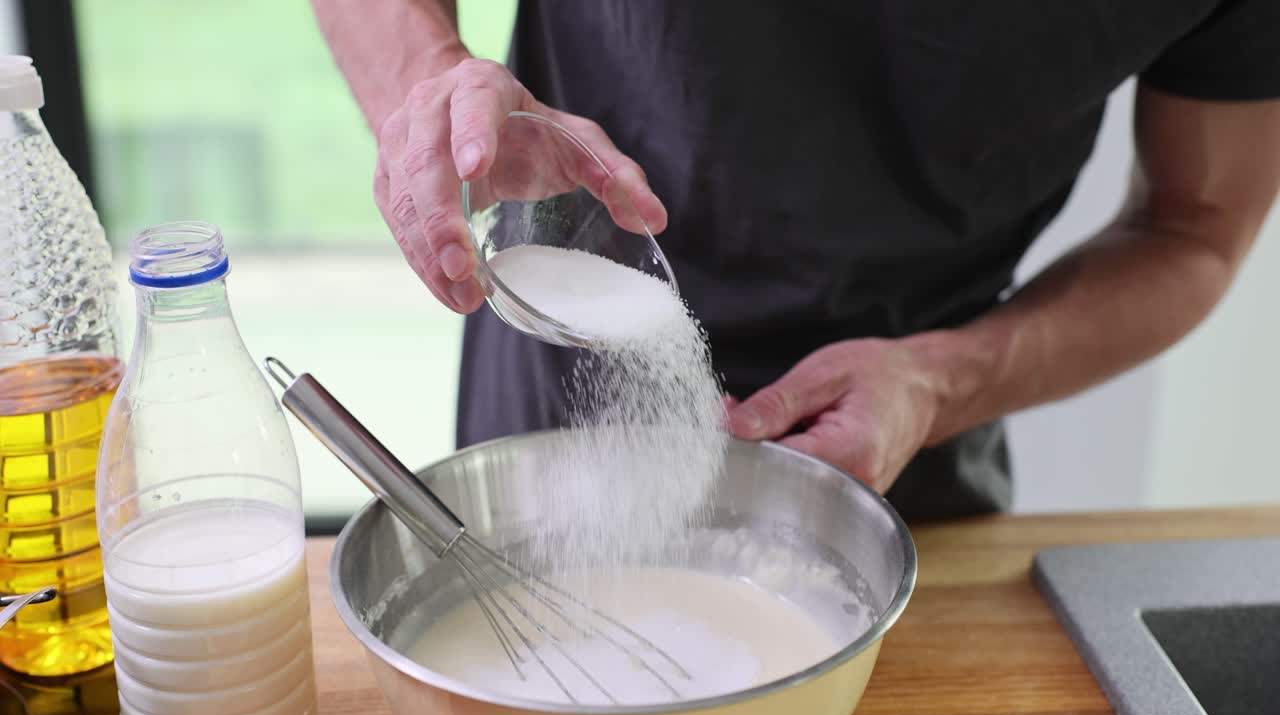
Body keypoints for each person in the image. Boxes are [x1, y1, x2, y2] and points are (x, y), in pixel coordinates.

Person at [312, 1, 1280, 520]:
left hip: (906, 445)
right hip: (563, 382)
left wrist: (942, 383)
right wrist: (428, 82)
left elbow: (1192, 231)